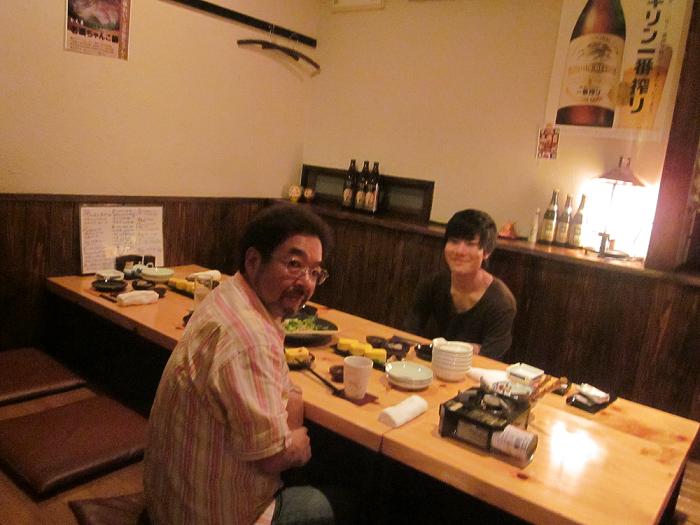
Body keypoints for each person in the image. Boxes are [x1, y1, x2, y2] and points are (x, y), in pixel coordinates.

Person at [144, 204, 345, 525]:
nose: (306, 283)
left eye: (314, 272)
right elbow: (274, 457)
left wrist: (292, 411)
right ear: (253, 261)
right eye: (294, 265)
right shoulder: (250, 337)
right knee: (342, 501)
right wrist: (296, 440)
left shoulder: (227, 294)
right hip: (212, 515)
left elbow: (286, 394)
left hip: (168, 504)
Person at [404, 209, 516, 360]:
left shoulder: (501, 302)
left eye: (470, 244)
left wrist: (444, 347)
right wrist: (471, 348)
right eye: (454, 241)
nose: (459, 251)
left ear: (486, 252)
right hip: (435, 364)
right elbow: (409, 333)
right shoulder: (433, 284)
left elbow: (491, 357)